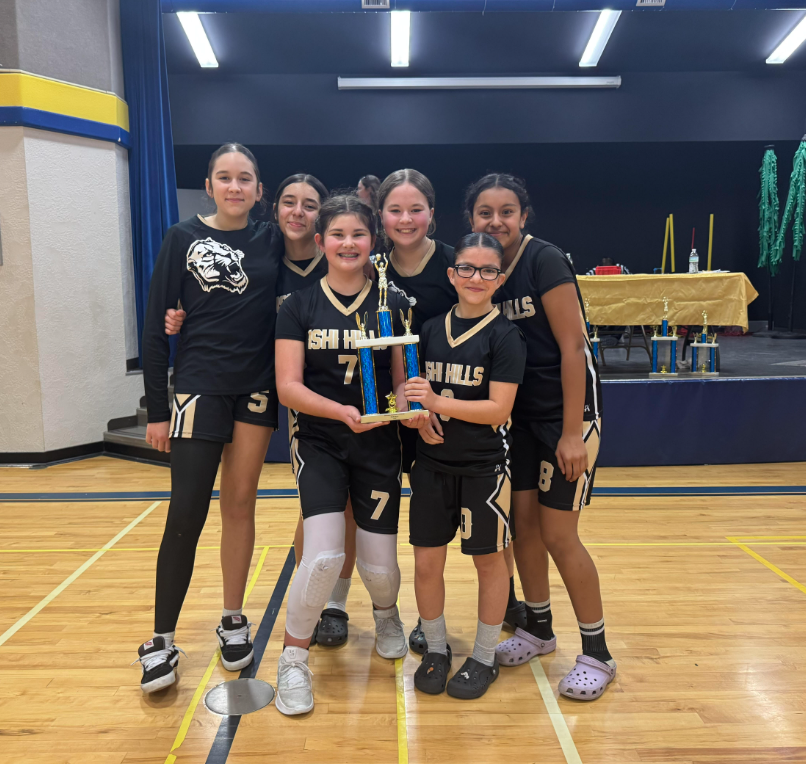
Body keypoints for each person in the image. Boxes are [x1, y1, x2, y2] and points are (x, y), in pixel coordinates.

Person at [135, 143, 282, 694]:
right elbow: (156, 325)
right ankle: (161, 639)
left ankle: (232, 618)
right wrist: (156, 409)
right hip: (198, 387)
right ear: (210, 185)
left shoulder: (272, 239)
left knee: (240, 504)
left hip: (257, 391)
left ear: (258, 189)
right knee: (186, 512)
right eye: (225, 177)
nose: (236, 187)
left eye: (246, 178)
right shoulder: (182, 238)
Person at [273, 193, 424, 716]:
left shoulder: (394, 302)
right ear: (320, 243)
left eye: (358, 234)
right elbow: (288, 387)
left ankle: (386, 615)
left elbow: (403, 382)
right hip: (320, 441)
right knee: (323, 556)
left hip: (380, 442)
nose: (347, 243)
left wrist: (416, 409)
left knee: (380, 568)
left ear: (372, 243)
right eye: (337, 235)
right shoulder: (296, 306)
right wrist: (339, 412)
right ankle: (293, 657)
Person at [466, 173, 615, 701]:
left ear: (523, 218)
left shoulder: (543, 260)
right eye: (485, 212)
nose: (496, 221)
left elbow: (574, 348)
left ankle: (598, 653)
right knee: (522, 530)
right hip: (520, 420)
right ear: (472, 220)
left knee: (557, 533)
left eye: (507, 211)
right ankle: (538, 628)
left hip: (567, 417)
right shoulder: (480, 269)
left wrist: (572, 432)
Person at [405, 233, 526, 699]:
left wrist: (437, 400)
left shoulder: (505, 336)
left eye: (488, 270)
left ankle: (482, 656)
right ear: (452, 275)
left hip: (484, 467)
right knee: (426, 562)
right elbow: (411, 392)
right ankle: (437, 649)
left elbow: (498, 410)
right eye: (468, 269)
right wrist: (419, 413)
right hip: (432, 464)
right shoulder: (430, 328)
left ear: (500, 278)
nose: (477, 278)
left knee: (488, 561)